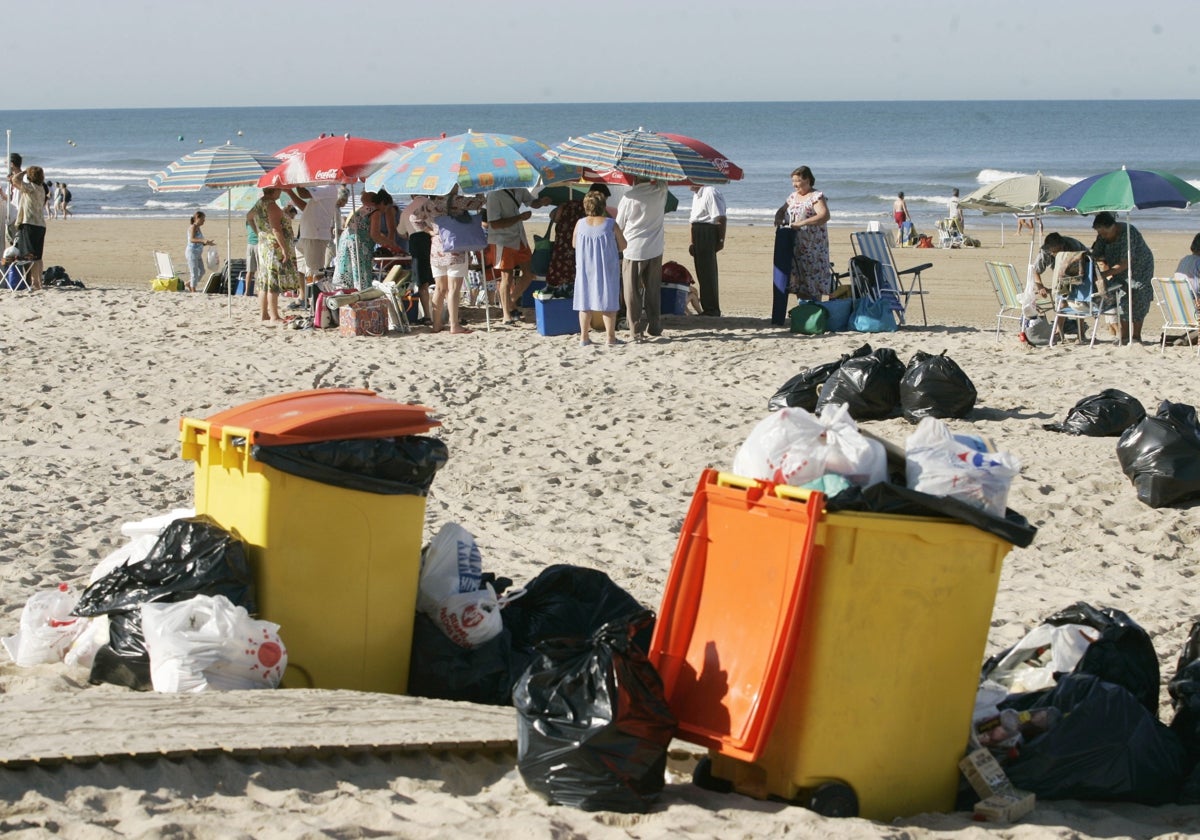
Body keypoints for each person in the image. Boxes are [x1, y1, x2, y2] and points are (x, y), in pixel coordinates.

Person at [485, 187, 551, 325]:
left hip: (519, 236)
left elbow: (532, 203)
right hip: (502, 240)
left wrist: (542, 202)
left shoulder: (520, 189)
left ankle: (510, 301)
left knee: (529, 273)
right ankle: (506, 314)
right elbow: (495, 223)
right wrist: (519, 217)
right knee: (506, 277)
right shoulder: (494, 195)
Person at [616, 178, 669, 342]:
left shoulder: (629, 196)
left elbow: (619, 224)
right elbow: (664, 180)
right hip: (655, 247)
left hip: (634, 248)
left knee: (632, 291)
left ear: (635, 178)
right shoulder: (660, 191)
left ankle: (636, 329)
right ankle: (655, 325)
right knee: (653, 289)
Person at [427, 187, 486, 335]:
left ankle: (436, 324)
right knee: (453, 288)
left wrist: (429, 231)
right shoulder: (455, 200)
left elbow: (414, 218)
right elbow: (479, 203)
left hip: (436, 249)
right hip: (455, 247)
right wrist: (480, 189)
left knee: (440, 289)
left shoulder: (430, 203)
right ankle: (454, 324)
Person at [1091, 211, 1154, 344]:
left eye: (1105, 233)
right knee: (1122, 298)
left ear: (1113, 226)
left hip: (1140, 267)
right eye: (1100, 234)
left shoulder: (1128, 233)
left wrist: (1103, 275)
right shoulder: (1102, 236)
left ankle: (1136, 336)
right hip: (1117, 269)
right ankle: (1124, 335)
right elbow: (1095, 255)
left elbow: (1125, 262)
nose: (1103, 236)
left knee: (1139, 296)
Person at [574, 190, 626, 347]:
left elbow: (574, 243)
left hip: (585, 268)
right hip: (606, 267)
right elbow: (623, 245)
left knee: (585, 302)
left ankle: (584, 337)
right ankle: (610, 338)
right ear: (603, 205)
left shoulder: (580, 223)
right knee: (608, 302)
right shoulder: (610, 224)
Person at [773, 165, 830, 303]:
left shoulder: (816, 196)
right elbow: (781, 210)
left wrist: (802, 223)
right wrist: (778, 218)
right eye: (793, 181)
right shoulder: (793, 196)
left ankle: (815, 312)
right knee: (799, 279)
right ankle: (803, 310)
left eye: (797, 181)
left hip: (813, 247)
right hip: (795, 246)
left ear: (807, 180)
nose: (794, 185)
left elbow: (824, 215)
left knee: (812, 279)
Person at [247, 187, 300, 324]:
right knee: (273, 281)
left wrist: (259, 232)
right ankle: (274, 316)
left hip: (264, 245)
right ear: (274, 192)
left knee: (264, 280)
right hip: (273, 247)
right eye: (279, 191)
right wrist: (284, 249)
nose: (280, 193)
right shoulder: (271, 206)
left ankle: (264, 314)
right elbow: (276, 229)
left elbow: (249, 217)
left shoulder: (259, 203)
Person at [332, 191, 389, 291]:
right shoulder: (376, 212)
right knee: (360, 275)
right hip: (358, 245)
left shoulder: (361, 208)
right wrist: (389, 243)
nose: (386, 211)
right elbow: (375, 235)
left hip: (347, 240)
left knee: (347, 275)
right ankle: (362, 296)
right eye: (386, 207)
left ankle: (346, 296)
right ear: (382, 202)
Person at [287, 184, 339, 289]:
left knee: (314, 271)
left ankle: (315, 296)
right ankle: (304, 297)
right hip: (307, 235)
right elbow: (304, 207)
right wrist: (289, 192)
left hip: (315, 236)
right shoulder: (322, 191)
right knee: (302, 269)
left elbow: (303, 194)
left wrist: (298, 179)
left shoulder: (328, 187)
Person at [688, 183, 727, 316]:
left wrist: (721, 240)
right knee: (702, 271)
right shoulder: (696, 194)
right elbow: (693, 220)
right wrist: (692, 241)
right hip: (698, 230)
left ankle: (712, 308)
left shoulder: (710, 192)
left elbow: (721, 218)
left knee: (708, 271)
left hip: (707, 231)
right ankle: (708, 306)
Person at [9, 163, 47, 290]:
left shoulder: (30, 188)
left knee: (31, 255)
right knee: (38, 255)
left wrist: (24, 172)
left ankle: (34, 283)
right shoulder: (41, 188)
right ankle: (38, 283)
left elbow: (14, 180)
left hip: (29, 223)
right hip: (40, 224)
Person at [1032, 232, 1089, 296]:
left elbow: (1075, 272)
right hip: (1061, 265)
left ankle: (1064, 296)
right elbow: (1035, 270)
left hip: (1083, 260)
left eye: (1058, 251)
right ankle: (1062, 295)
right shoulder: (1045, 251)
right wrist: (1040, 286)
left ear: (1062, 246)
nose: (1054, 254)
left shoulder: (1072, 246)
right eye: (1053, 252)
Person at [185, 210, 215, 292]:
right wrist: (203, 241)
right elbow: (192, 239)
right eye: (202, 219)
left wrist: (207, 243)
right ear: (197, 218)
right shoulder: (193, 227)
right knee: (194, 272)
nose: (204, 221)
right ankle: (193, 289)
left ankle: (189, 283)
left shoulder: (198, 228)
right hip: (192, 252)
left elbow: (199, 241)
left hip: (198, 253)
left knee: (202, 271)